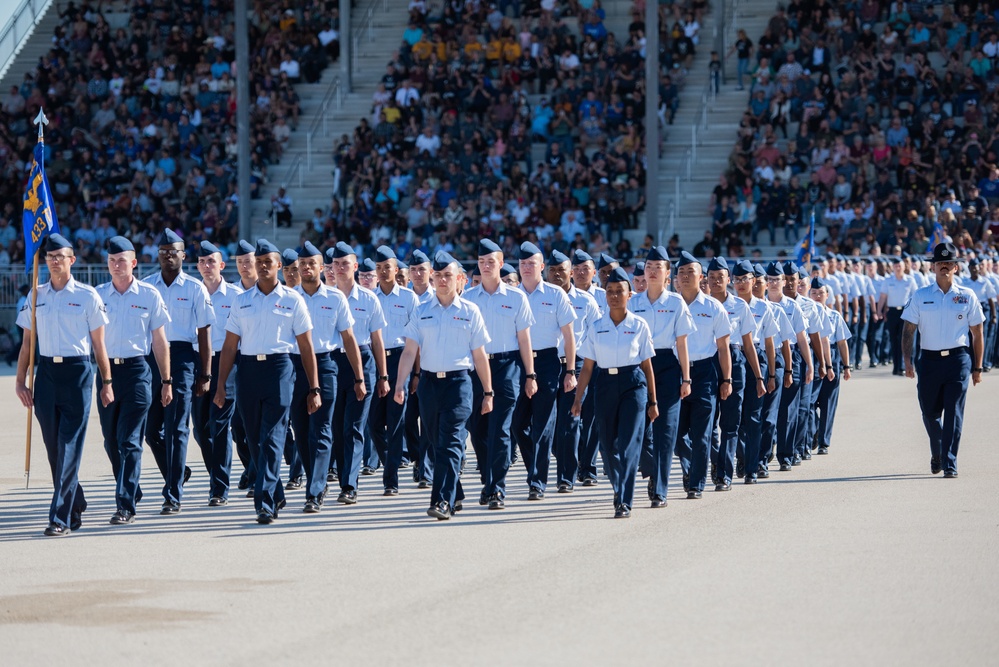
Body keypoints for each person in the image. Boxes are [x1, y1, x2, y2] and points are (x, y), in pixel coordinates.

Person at [214, 239, 320, 524]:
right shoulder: (241, 300)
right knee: (254, 440)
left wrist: (314, 387)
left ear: (278, 267)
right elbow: (229, 346)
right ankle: (277, 491)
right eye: (258, 262)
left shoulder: (292, 299)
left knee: (272, 437)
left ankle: (265, 502)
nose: (261, 267)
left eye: (267, 262)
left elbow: (306, 347)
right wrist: (221, 383)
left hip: (280, 370)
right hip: (248, 371)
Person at [15, 234, 113, 536]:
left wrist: (106, 382)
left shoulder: (87, 296)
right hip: (46, 375)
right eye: (49, 256)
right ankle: (76, 500)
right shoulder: (35, 296)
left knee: (69, 445)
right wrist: (20, 380)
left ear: (72, 260)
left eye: (61, 256)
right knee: (54, 449)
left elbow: (99, 345)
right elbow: (27, 343)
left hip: (78, 373)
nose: (54, 261)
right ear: (44, 261)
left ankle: (60, 517)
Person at [393, 252, 494, 519]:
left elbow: (480, 355)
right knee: (437, 444)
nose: (441, 280)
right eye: (437, 275)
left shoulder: (470, 311)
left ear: (459, 278)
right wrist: (400, 384)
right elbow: (408, 351)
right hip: (428, 385)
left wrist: (488, 391)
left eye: (447, 275)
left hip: (459, 384)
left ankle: (441, 501)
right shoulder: (421, 311)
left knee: (450, 441)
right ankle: (455, 493)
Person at [96, 236, 172, 525]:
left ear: (134, 263)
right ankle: (131, 487)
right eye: (112, 261)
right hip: (107, 374)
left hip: (138, 372)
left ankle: (124, 504)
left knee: (129, 440)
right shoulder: (98, 296)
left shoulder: (149, 295)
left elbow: (160, 342)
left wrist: (166, 380)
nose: (116, 265)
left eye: (122, 261)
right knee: (110, 441)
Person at [571, 267, 658, 518]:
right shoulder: (597, 326)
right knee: (607, 446)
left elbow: (647, 366)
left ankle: (624, 499)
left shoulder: (639, 325)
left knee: (630, 444)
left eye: (620, 291)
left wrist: (653, 401)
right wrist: (578, 398)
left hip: (633, 385)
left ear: (629, 295)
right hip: (605, 385)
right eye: (610, 291)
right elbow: (587, 367)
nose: (614, 296)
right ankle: (618, 487)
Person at [144, 229, 214, 515]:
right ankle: (178, 471)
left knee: (177, 428)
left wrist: (206, 373)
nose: (168, 256)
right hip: (151, 359)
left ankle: (173, 494)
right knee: (152, 431)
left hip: (184, 357)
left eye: (173, 251)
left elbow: (204, 332)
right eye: (163, 252)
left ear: (184, 256)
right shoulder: (147, 286)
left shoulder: (195, 288)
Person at [291, 242, 364, 513]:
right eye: (303, 264)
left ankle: (314, 491)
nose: (307, 268)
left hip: (327, 364)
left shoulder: (335, 298)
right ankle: (316, 481)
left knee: (321, 430)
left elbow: (349, 338)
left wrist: (359, 377)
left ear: (322, 268)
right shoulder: (289, 297)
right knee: (300, 432)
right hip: (295, 367)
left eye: (312, 264)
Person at [902, 243, 985, 478]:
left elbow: (977, 333)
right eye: (940, 263)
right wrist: (907, 362)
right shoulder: (921, 296)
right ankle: (938, 450)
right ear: (933, 267)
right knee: (929, 412)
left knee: (954, 412)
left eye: (949, 263)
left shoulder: (967, 296)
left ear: (956, 268)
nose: (945, 267)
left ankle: (950, 462)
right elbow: (908, 330)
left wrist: (977, 367)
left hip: (958, 360)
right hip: (928, 361)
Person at [464, 239, 536, 509]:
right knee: (478, 430)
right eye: (481, 262)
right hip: (474, 369)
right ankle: (488, 478)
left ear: (501, 264)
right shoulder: (468, 299)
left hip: (507, 366)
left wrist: (530, 375)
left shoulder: (516, 298)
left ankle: (497, 487)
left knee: (501, 429)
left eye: (490, 262)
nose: (485, 266)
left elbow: (525, 339)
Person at [627, 245, 693, 507]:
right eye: (648, 267)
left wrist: (686, 379)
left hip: (667, 365)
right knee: (638, 428)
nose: (652, 272)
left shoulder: (676, 303)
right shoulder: (633, 303)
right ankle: (652, 469)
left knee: (667, 430)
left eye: (658, 268)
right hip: (639, 366)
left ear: (668, 274)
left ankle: (660, 489)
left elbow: (683, 343)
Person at [513, 242, 576, 499]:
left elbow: (569, 336)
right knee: (517, 425)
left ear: (542, 267)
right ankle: (534, 469)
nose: (527, 268)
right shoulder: (512, 295)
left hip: (549, 362)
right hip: (517, 362)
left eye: (532, 264)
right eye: (523, 264)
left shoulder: (555, 294)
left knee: (543, 422)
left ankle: (537, 482)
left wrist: (570, 370)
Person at [326, 242, 388, 504]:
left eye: (345, 264)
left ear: (355, 266)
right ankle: (342, 478)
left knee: (353, 426)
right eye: (335, 264)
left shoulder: (368, 298)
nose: (340, 269)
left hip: (362, 362)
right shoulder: (324, 297)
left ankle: (349, 485)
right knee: (336, 427)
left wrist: (383, 377)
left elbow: (377, 341)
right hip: (331, 363)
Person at [673, 252, 732, 499]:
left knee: (702, 432)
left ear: (701, 277)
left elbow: (723, 347)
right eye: (682, 273)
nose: (686, 277)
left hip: (705, 373)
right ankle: (694, 465)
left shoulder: (713, 307)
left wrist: (726, 379)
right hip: (673, 372)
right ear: (675, 278)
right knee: (675, 433)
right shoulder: (670, 304)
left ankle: (696, 483)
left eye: (691, 273)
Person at [188, 241, 242, 506]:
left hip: (226, 362)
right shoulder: (191, 292)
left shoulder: (234, 295)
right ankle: (216, 474)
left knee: (220, 425)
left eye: (212, 261)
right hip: (197, 362)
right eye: (202, 262)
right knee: (200, 429)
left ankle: (219, 488)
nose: (206, 266)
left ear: (222, 265)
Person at [707, 257, 765, 491]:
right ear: (707, 280)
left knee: (731, 422)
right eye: (712, 277)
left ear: (727, 280)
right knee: (707, 423)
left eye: (720, 277)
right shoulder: (701, 305)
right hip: (707, 361)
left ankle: (725, 474)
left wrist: (759, 377)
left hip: (735, 358)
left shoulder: (739, 306)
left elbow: (750, 345)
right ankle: (715, 461)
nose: (716, 281)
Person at [547, 249, 601, 493]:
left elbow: (595, 335)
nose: (558, 275)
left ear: (569, 273)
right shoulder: (540, 297)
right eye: (553, 271)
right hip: (546, 363)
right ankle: (567, 457)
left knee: (571, 420)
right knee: (549, 423)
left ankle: (566, 477)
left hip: (577, 364)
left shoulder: (586, 300)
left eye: (562, 270)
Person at [369, 246, 419, 495]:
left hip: (401, 359)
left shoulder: (409, 298)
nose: (382, 272)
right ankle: (392, 458)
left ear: (396, 269)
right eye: (378, 268)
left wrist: (416, 373)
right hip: (376, 361)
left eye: (387, 267)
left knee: (396, 420)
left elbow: (416, 340)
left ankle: (391, 480)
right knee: (374, 422)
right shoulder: (370, 297)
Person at [570, 249, 605, 484]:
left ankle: (588, 466)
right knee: (572, 416)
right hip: (570, 364)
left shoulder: (605, 295)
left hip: (596, 362)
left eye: (586, 269)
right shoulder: (564, 296)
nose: (582, 273)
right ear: (571, 273)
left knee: (592, 416)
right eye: (577, 269)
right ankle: (573, 460)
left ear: (594, 272)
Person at [810, 277, 852, 455]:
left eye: (821, 293)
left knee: (828, 403)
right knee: (809, 402)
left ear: (827, 295)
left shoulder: (834, 316)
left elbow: (842, 343)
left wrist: (846, 366)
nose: (818, 296)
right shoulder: (806, 313)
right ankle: (815, 429)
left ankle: (824, 442)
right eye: (814, 293)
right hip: (811, 355)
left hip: (832, 356)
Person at [404, 249, 435, 487]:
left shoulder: (439, 297)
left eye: (421, 269)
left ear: (430, 273)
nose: (417, 274)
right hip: (408, 367)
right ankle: (416, 458)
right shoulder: (403, 299)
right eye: (413, 270)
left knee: (427, 422)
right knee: (407, 419)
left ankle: (426, 470)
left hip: (431, 368)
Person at [232, 240, 258, 491]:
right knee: (239, 426)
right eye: (239, 262)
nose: (243, 266)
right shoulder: (231, 294)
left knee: (264, 425)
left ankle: (256, 473)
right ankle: (250, 465)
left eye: (248, 261)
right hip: (237, 361)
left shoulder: (276, 291)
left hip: (267, 362)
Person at [878, 256, 918, 376]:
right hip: (892, 312)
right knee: (893, 340)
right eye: (895, 266)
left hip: (905, 312)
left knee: (904, 339)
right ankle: (896, 367)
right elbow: (883, 297)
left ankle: (903, 366)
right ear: (893, 267)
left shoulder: (910, 280)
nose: (898, 268)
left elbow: (915, 297)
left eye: (900, 265)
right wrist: (879, 311)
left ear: (904, 266)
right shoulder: (888, 281)